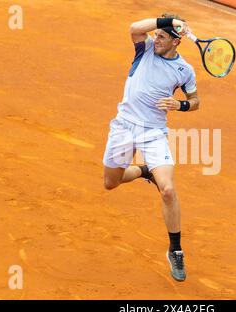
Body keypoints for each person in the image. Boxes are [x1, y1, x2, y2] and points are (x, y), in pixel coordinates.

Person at [102, 13, 200, 282]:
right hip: (124, 127)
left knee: (168, 189)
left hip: (154, 133)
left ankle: (175, 249)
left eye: (163, 37)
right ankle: (146, 172)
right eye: (156, 34)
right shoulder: (143, 50)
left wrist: (179, 105)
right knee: (111, 182)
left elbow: (195, 101)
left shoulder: (185, 71)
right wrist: (166, 21)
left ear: (176, 42)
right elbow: (134, 27)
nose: (156, 39)